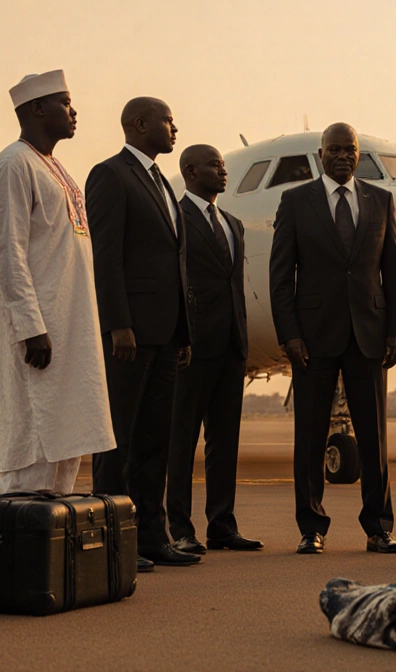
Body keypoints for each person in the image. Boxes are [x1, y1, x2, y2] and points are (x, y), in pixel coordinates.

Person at [269, 122, 396, 555]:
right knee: (309, 438)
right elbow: (280, 276)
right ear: (321, 153)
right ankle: (311, 527)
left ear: (358, 154)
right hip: (312, 338)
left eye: (351, 150)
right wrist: (289, 333)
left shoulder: (381, 201)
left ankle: (378, 527)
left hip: (367, 334)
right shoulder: (295, 201)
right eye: (335, 149)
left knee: (374, 439)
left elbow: (395, 274)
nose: (344, 156)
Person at [0, 71, 115, 495]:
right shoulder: (13, 163)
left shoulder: (56, 168)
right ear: (37, 109)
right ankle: (21, 545)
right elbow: (8, 252)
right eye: (65, 102)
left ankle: (51, 550)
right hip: (40, 331)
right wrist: (31, 327)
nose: (73, 111)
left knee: (68, 439)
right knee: (36, 441)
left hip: (71, 328)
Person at [85, 97, 197, 570]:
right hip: (131, 335)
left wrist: (183, 332)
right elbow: (106, 256)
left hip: (167, 334)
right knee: (119, 442)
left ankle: (152, 536)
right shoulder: (110, 175)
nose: (176, 127)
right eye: (169, 120)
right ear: (140, 124)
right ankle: (112, 540)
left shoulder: (159, 182)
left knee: (156, 440)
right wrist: (118, 324)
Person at [166, 144, 262, 554]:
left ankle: (222, 525)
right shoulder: (176, 218)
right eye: (214, 166)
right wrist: (178, 336)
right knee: (182, 441)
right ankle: (180, 529)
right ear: (190, 171)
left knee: (225, 440)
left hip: (230, 346)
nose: (223, 172)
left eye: (223, 166)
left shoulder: (233, 223)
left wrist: (242, 338)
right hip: (192, 345)